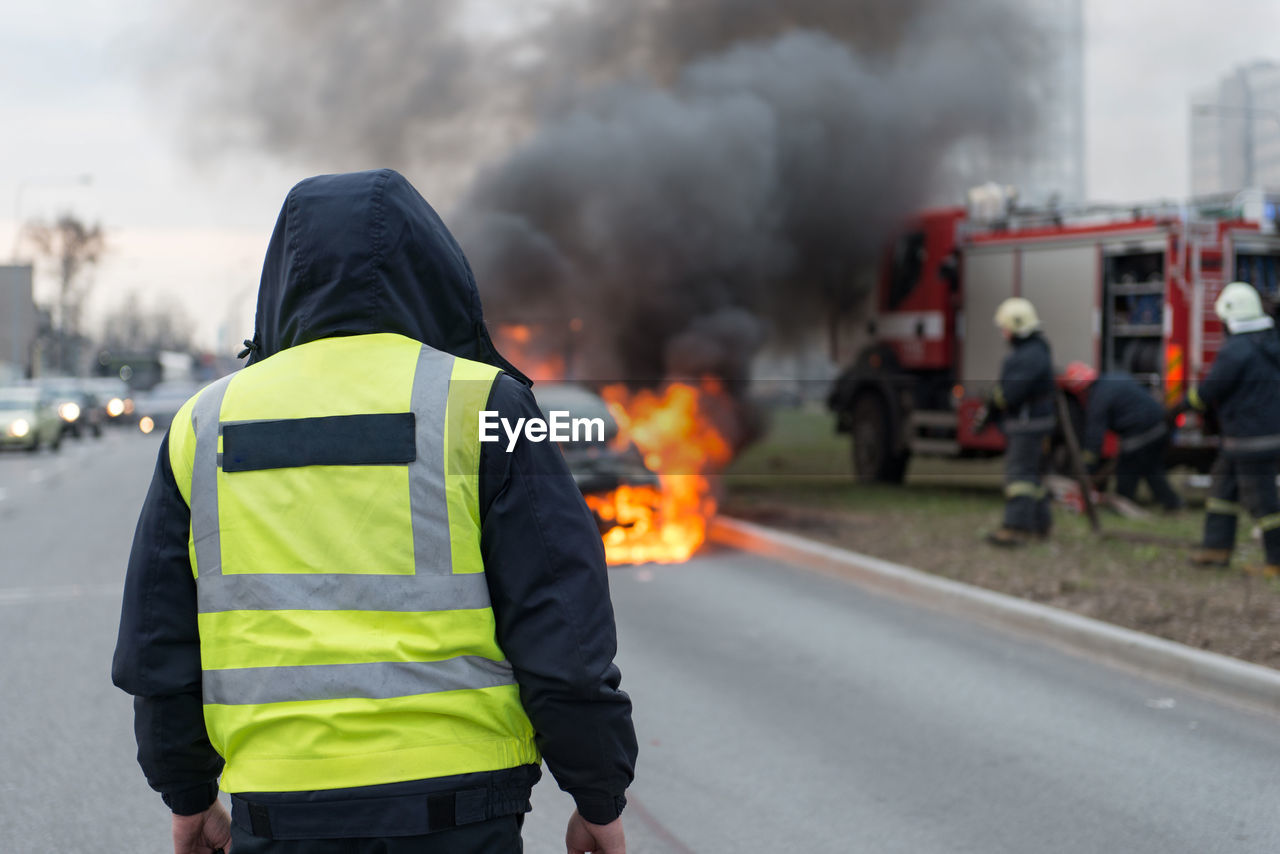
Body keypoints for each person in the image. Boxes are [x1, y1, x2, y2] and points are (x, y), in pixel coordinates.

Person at [112, 169, 637, 853]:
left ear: (282, 279)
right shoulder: (487, 407)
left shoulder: (203, 423)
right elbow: (563, 630)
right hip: (462, 812)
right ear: (432, 268)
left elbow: (159, 648)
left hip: (281, 813)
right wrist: (598, 796)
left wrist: (187, 797)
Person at [1182, 281, 1280, 577]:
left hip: (1249, 440)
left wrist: (1185, 404)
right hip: (1252, 437)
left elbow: (1212, 390)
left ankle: (1276, 561)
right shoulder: (1271, 342)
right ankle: (1215, 548)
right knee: (1222, 490)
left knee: (1263, 504)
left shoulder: (1236, 350)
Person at [980, 297, 1056, 546]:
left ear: (1015, 327)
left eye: (1005, 327)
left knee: (1019, 477)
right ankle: (1039, 525)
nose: (1004, 333)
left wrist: (993, 401)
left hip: (1027, 425)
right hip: (1039, 423)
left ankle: (1014, 529)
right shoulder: (1039, 349)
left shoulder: (1023, 357)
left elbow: (1010, 393)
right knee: (1034, 478)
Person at [1060, 361, 1183, 512]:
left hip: (1142, 432)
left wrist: (1086, 468)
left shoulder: (1097, 400)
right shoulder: (1112, 379)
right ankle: (1173, 504)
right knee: (1151, 468)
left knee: (1127, 468)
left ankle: (1123, 502)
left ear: (1080, 389)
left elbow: (1094, 439)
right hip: (1161, 426)